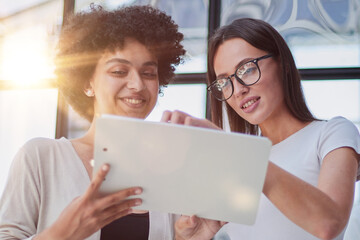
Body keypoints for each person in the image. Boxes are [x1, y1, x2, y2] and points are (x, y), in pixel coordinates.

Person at [162, 18, 360, 240]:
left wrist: (238, 151)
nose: (238, 90)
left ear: (283, 64)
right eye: (225, 82)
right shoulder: (232, 161)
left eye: (246, 69)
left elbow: (328, 224)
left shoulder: (332, 133)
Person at [0, 4, 185, 240]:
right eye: (119, 71)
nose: (137, 85)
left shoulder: (169, 174)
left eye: (148, 73)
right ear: (88, 83)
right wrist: (62, 233)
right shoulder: (40, 158)